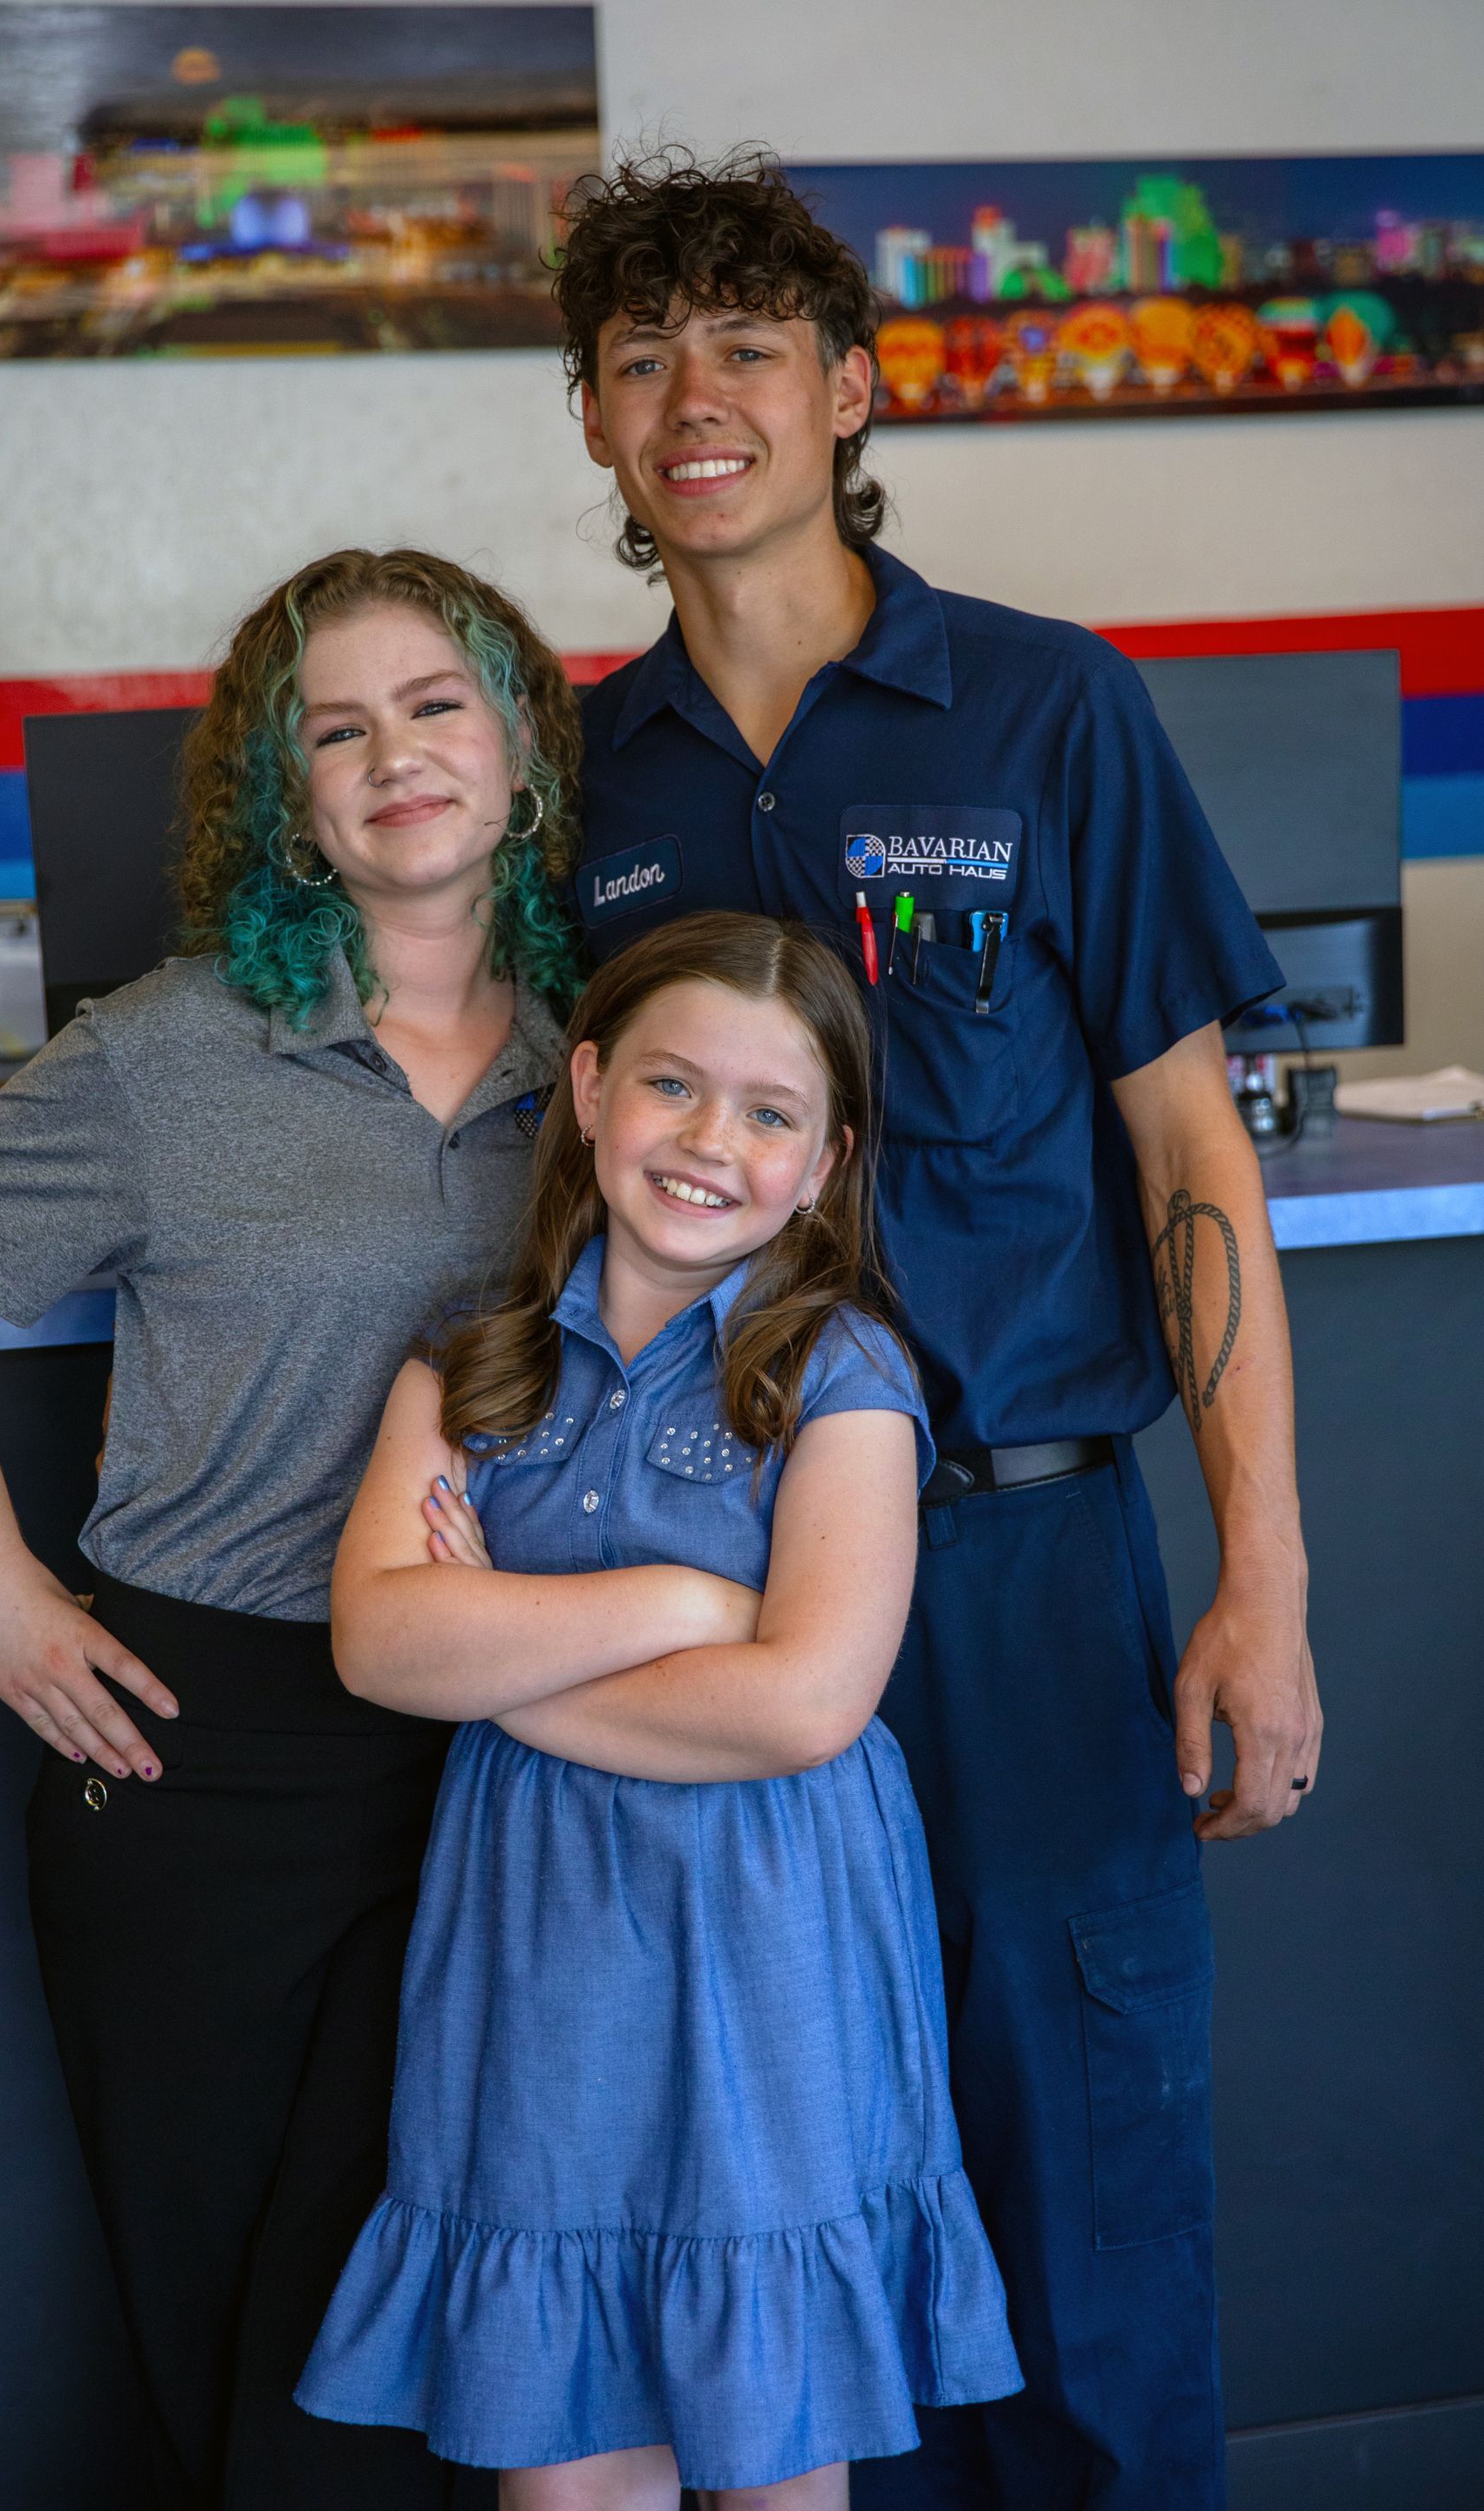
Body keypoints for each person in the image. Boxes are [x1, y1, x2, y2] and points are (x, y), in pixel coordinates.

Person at [547, 153, 1324, 2510]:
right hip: (698, 1598)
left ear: (851, 389)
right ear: (590, 420)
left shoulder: (1046, 714)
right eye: (643, 356)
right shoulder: (584, 780)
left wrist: (1262, 1580)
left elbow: (1195, 1165)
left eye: (748, 346)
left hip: (1017, 1585)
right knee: (772, 2217)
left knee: (1082, 2200)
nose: (699, 399)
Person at [0, 548, 586, 2511]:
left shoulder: (606, 1066)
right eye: (333, 730)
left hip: (493, 1743)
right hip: (202, 1751)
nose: (395, 755)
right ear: (285, 802)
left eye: (436, 704)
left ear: (518, 746)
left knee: (444, 2307)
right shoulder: (174, 1049)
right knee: (225, 2309)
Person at [296, 912, 1020, 2505]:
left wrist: (506, 1665)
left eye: (771, 1115)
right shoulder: (470, 1370)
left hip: (772, 1937)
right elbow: (380, 1645)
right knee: (566, 2461)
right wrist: (686, 1612)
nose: (711, 1143)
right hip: (540, 1945)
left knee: (770, 2443)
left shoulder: (844, 1374)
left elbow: (804, 1708)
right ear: (588, 1085)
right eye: (674, 1088)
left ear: (825, 1163)